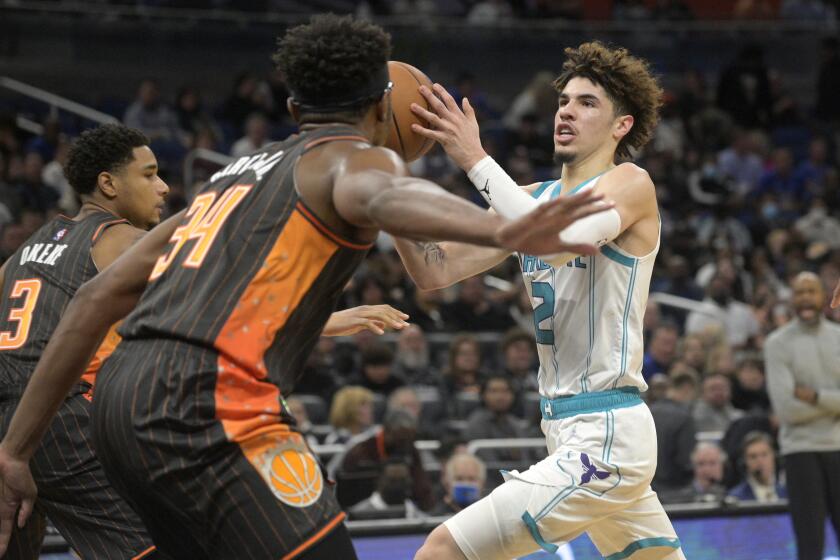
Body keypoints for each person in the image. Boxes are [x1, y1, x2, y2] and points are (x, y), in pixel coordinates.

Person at [0, 15, 605, 560]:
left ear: (294, 109)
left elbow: (94, 299)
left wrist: (15, 452)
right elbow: (388, 194)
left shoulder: (232, 176)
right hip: (206, 404)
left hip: (116, 408)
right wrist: (505, 224)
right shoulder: (357, 159)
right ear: (379, 106)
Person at [398, 42, 684, 559]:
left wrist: (474, 158)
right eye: (563, 101)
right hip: (568, 430)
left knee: (441, 551)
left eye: (587, 102)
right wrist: (388, 177)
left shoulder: (630, 184)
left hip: (605, 433)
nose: (567, 111)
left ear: (622, 125)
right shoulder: (530, 199)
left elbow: (548, 241)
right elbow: (432, 268)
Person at [0, 124, 167, 559]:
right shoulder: (122, 239)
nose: (163, 187)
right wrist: (329, 319)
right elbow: (218, 302)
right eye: (149, 175)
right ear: (108, 184)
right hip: (63, 422)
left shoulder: (27, 248)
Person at [771, 272, 840, 560]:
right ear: (791, 299)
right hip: (800, 451)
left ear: (824, 296)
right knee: (810, 546)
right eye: (800, 292)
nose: (806, 298)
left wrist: (815, 396)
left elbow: (801, 404)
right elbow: (787, 409)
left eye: (812, 291)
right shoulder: (776, 344)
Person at [727, 431, 786, 503]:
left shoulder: (787, 493)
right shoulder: (735, 498)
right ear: (745, 462)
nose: (760, 461)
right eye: (753, 457)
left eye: (764, 454)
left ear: (774, 457)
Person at [429, 452, 487, 516]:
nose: (466, 484)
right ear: (448, 483)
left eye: (471, 479)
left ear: (482, 483)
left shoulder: (490, 514)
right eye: (459, 479)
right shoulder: (435, 517)